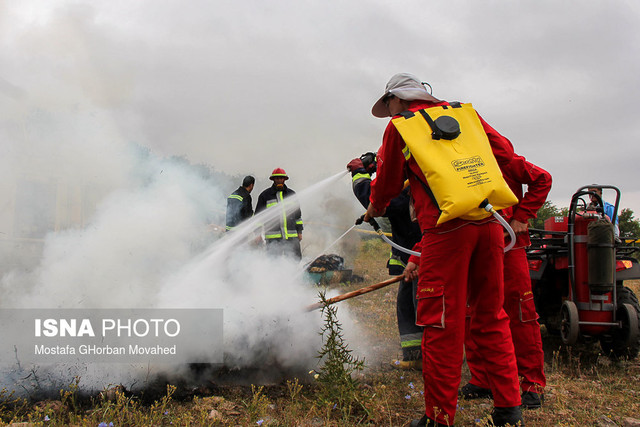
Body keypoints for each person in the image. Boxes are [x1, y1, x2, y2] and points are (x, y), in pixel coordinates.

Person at [365, 73, 523, 427]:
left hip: (445, 231)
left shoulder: (401, 126)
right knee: (491, 317)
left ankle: (439, 417)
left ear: (398, 99)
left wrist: (374, 207)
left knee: (440, 324)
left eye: (387, 103)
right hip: (490, 224)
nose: (388, 111)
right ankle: (510, 410)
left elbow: (387, 183)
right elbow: (506, 153)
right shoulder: (465, 114)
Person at [461, 155, 551, 410]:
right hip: (474, 247)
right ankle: (483, 379)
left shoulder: (500, 155)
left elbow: (542, 179)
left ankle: (530, 383)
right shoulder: (452, 159)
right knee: (473, 312)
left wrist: (521, 216)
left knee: (520, 311)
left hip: (508, 246)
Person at [347, 152, 423, 369]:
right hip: (411, 253)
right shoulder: (409, 178)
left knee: (422, 306)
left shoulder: (409, 186)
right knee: (407, 304)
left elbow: (377, 201)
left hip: (421, 254)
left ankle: (434, 356)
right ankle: (415, 356)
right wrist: (375, 167)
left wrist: (359, 176)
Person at [255, 168, 303, 259]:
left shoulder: (292, 194)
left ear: (284, 179)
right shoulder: (265, 196)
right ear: (273, 180)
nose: (279, 180)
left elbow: (298, 216)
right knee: (274, 262)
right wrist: (257, 233)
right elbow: (258, 217)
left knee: (295, 260)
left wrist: (299, 232)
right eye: (277, 178)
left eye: (281, 178)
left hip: (291, 236)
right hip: (273, 238)